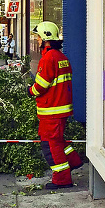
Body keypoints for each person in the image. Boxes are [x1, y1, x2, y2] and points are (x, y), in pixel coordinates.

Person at [28, 21, 83, 188]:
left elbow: (41, 86)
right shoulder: (61, 57)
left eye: (38, 37)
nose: (37, 41)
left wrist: (30, 91)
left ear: (46, 39)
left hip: (51, 110)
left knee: (50, 145)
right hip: (60, 109)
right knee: (57, 141)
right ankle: (73, 161)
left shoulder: (49, 58)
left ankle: (62, 179)